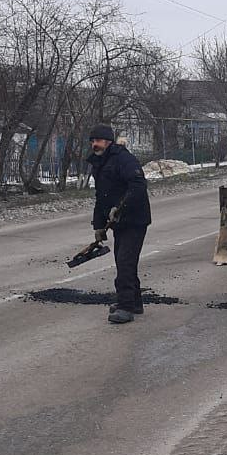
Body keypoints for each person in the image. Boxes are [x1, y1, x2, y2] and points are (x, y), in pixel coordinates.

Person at [87, 125, 151, 325]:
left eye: (98, 140)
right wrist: (99, 226)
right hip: (118, 222)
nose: (94, 144)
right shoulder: (99, 163)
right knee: (125, 261)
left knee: (125, 262)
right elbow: (101, 197)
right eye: (92, 141)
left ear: (108, 142)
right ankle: (134, 302)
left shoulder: (124, 160)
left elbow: (138, 186)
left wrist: (120, 207)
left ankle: (125, 307)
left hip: (135, 220)